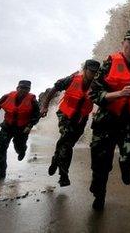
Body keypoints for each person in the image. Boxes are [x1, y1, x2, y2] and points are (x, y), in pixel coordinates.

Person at [88, 29, 130, 210]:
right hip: (106, 120)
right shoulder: (109, 63)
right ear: (123, 43)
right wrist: (117, 94)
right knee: (101, 165)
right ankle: (99, 194)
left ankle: (126, 167)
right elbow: (93, 93)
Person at [39, 59, 101, 187]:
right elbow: (54, 88)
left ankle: (56, 158)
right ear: (85, 70)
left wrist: (98, 111)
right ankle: (64, 175)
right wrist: (45, 105)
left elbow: (102, 98)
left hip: (81, 119)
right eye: (91, 71)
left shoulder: (96, 85)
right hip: (65, 115)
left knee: (68, 143)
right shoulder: (72, 79)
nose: (93, 75)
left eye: (95, 72)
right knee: (66, 142)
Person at [0, 80, 40, 180]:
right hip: (7, 127)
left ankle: (22, 151)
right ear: (17, 88)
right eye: (22, 88)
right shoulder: (7, 97)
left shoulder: (32, 100)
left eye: (26, 89)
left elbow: (36, 115)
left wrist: (30, 126)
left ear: (29, 90)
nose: (23, 90)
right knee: (1, 149)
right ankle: (1, 172)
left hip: (22, 129)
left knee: (18, 146)